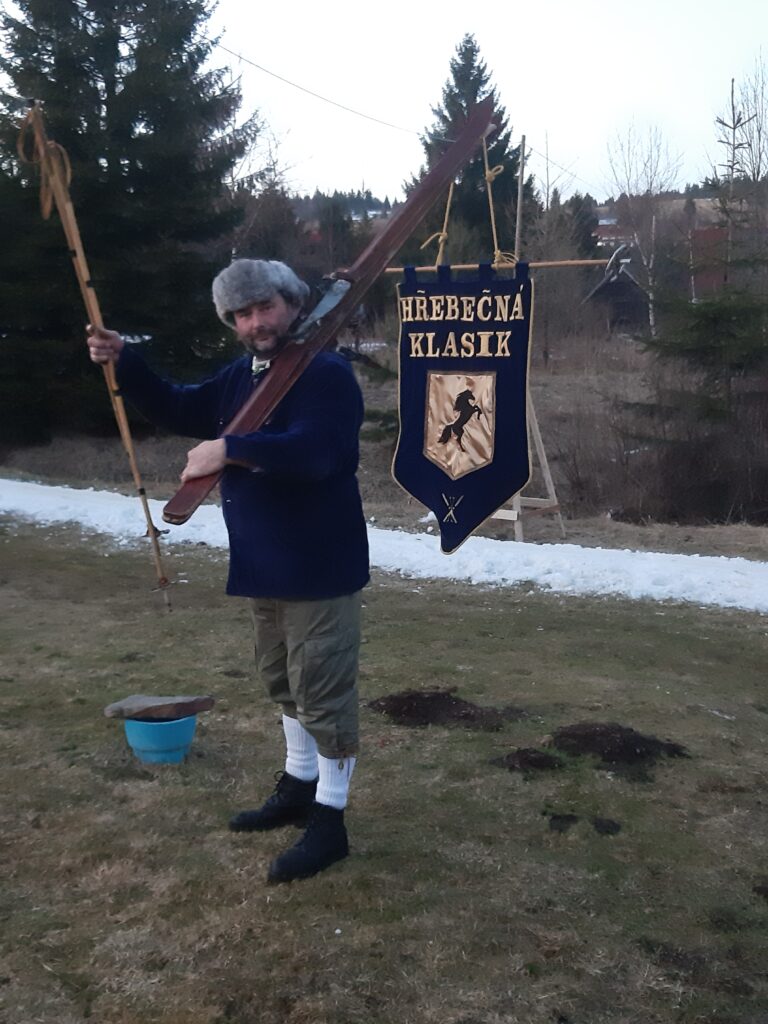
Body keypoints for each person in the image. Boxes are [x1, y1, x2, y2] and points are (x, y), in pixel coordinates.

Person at [86, 259, 370, 884]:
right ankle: (298, 785)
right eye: (241, 314)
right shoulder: (244, 376)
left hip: (319, 565)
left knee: (323, 693)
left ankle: (330, 821)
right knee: (284, 682)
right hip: (264, 562)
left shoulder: (324, 372)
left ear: (291, 303)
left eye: (264, 307)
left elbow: (319, 452)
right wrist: (126, 361)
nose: (255, 323)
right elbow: (180, 405)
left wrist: (232, 448)